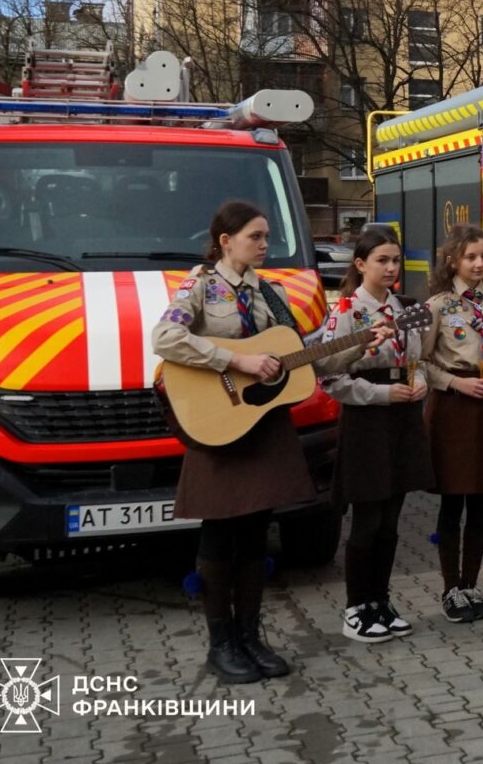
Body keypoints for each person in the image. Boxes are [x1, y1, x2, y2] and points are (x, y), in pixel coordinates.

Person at [153, 199, 323, 683]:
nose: (265, 245)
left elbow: (296, 357)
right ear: (226, 241)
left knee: (255, 534)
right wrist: (234, 360)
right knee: (220, 532)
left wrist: (355, 346)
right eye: (256, 236)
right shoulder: (201, 285)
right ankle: (220, 642)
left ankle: (251, 636)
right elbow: (164, 337)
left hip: (263, 425)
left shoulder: (269, 293)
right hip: (220, 422)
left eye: (267, 236)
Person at [318, 226, 434, 643]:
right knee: (367, 519)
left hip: (402, 420)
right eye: (382, 260)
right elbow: (330, 379)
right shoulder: (347, 310)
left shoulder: (406, 307)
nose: (391, 267)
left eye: (396, 260)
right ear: (360, 263)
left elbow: (418, 359)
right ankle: (356, 608)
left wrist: (419, 381)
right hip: (368, 420)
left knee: (391, 519)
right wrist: (382, 393)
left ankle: (380, 601)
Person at [420, 225, 483, 625]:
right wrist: (457, 382)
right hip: (453, 408)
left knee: (481, 501)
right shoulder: (438, 306)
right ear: (453, 260)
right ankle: (450, 588)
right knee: (452, 499)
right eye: (471, 257)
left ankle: (472, 583)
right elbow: (420, 362)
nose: (479, 264)